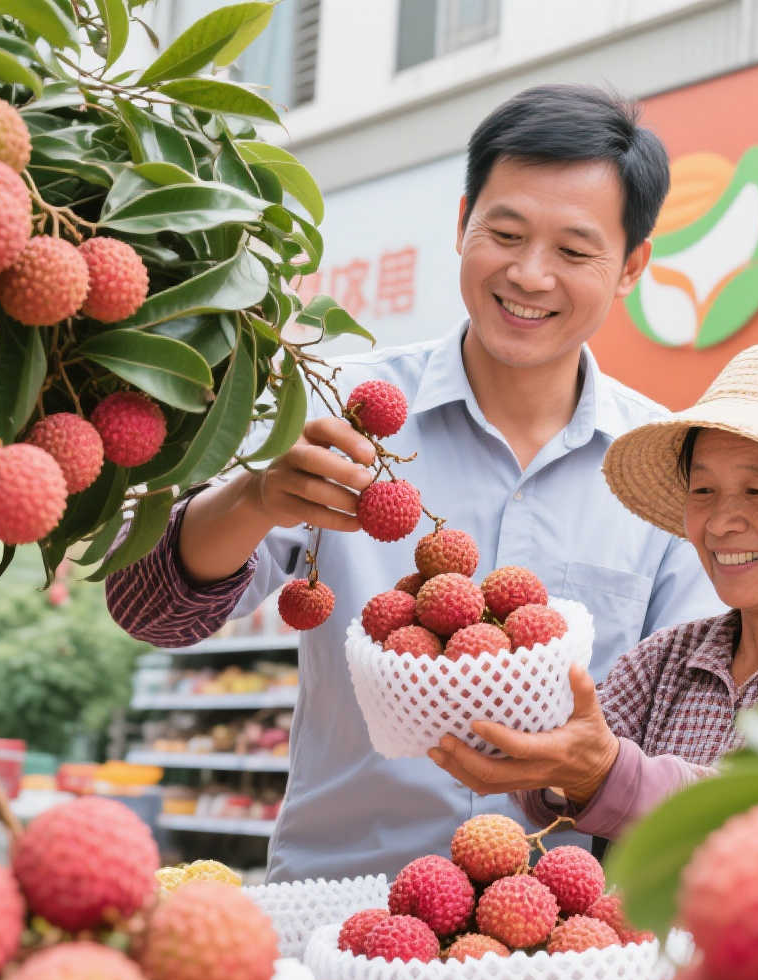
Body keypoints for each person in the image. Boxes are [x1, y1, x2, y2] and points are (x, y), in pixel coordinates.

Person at [106, 85, 724, 883]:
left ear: (632, 266)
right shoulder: (337, 407)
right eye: (504, 234)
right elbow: (147, 611)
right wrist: (255, 498)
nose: (530, 275)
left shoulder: (668, 472)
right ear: (463, 221)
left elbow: (697, 734)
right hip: (334, 913)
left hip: (564, 932)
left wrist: (591, 768)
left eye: (574, 253)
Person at [425, 341, 758, 840]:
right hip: (634, 944)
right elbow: (567, 777)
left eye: (757, 490)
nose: (723, 521)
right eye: (704, 489)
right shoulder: (665, 660)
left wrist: (608, 773)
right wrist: (530, 752)